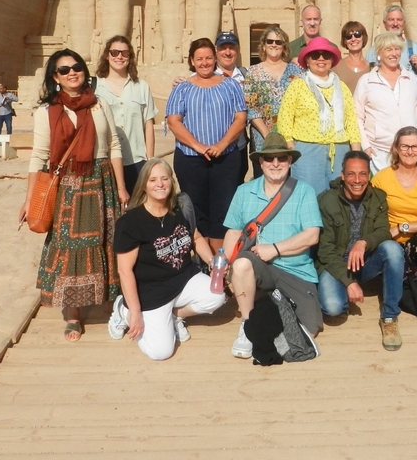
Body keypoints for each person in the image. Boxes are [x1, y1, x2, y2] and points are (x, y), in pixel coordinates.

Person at [18, 49, 129, 342]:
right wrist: (30, 199)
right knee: (69, 248)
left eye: (76, 67)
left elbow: (114, 145)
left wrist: (121, 186)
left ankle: (108, 300)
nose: (72, 73)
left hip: (101, 181)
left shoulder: (99, 104)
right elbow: (39, 157)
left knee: (107, 242)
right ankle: (73, 314)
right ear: (55, 77)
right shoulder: (47, 112)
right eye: (64, 70)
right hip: (68, 186)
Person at [108, 159, 225, 360]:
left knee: (217, 296)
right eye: (153, 180)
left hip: (183, 278)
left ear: (172, 181)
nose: (160, 184)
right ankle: (123, 310)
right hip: (152, 291)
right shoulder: (130, 222)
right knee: (161, 352)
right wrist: (135, 312)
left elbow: (195, 237)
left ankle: (173, 316)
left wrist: (212, 262)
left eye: (164, 178)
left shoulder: (179, 208)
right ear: (144, 185)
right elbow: (124, 271)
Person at [223, 133, 324, 359]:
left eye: (281, 158)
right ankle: (248, 324)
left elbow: (312, 236)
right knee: (241, 264)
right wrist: (224, 265)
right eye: (269, 158)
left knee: (310, 328)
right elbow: (233, 232)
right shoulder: (244, 191)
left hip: (296, 270)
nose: (275, 163)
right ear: (261, 162)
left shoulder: (304, 191)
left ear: (290, 161)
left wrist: (275, 249)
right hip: (259, 267)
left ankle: (268, 307)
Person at [316, 151, 405, 351]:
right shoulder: (326, 201)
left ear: (368, 175)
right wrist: (348, 282)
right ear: (342, 175)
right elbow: (325, 250)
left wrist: (364, 242)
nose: (357, 180)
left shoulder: (378, 197)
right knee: (333, 308)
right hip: (336, 262)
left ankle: (390, 317)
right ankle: (346, 288)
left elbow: (383, 231)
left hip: (364, 259)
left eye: (363, 174)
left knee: (393, 249)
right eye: (351, 174)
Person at [165, 38, 247, 253]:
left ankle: (219, 261)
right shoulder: (182, 88)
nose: (204, 63)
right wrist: (198, 146)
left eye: (208, 58)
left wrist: (221, 144)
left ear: (215, 58)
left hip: (225, 158)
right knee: (196, 209)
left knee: (223, 209)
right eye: (199, 59)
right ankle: (203, 260)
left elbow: (240, 118)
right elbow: (174, 121)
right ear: (192, 61)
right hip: (191, 158)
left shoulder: (230, 85)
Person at [277, 37, 362, 196]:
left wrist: (355, 154)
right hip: (307, 152)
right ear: (307, 60)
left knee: (339, 198)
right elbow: (285, 119)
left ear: (332, 60)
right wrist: (291, 147)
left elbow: (351, 120)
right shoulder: (297, 85)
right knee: (309, 198)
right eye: (315, 55)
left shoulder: (342, 87)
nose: (321, 59)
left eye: (326, 55)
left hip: (339, 150)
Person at [370, 127, 417, 304]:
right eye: (404, 146)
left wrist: (402, 227)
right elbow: (371, 216)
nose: (410, 152)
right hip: (390, 243)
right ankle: (407, 282)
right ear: (396, 148)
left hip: (416, 242)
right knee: (403, 292)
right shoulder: (381, 178)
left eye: (414, 147)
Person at [354, 32, 417, 172]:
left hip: (409, 152)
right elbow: (357, 116)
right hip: (379, 153)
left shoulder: (411, 78)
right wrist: (366, 146)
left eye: (397, 49)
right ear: (379, 53)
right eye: (389, 49)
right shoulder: (366, 81)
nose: (394, 54)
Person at [94, 35, 157, 194]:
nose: (119, 57)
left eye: (124, 53)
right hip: (105, 159)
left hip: (136, 159)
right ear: (107, 55)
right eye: (115, 52)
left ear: (130, 56)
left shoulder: (141, 86)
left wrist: (150, 160)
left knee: (137, 205)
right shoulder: (95, 87)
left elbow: (148, 124)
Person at [242, 25, 303, 178]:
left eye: (278, 42)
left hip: (290, 138)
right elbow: (251, 107)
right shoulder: (253, 72)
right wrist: (268, 136)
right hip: (262, 138)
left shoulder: (296, 71)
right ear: (263, 45)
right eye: (270, 41)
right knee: (265, 180)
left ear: (284, 46)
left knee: (289, 181)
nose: (274, 44)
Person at [214, 31, 249, 183]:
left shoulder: (246, 75)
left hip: (238, 145)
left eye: (231, 48)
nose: (227, 52)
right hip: (213, 144)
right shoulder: (206, 76)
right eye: (223, 48)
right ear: (216, 50)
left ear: (238, 50)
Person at [365, 5, 417, 78]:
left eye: (399, 20)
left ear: (404, 23)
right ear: (384, 23)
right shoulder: (373, 51)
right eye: (391, 20)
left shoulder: (416, 48)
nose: (395, 24)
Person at [333, 20, 371, 93]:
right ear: (345, 41)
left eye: (357, 35)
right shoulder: (336, 67)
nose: (353, 39)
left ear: (363, 38)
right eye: (348, 36)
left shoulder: (372, 68)